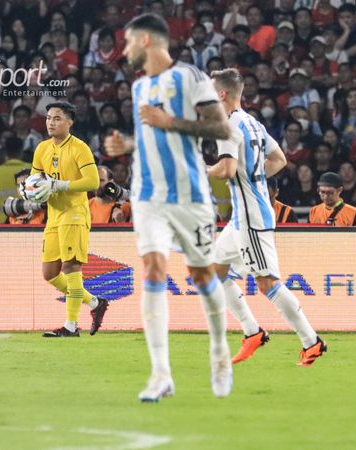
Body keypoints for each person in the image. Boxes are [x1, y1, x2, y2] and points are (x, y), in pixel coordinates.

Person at [104, 14, 235, 402]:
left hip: (190, 194)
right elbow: (150, 136)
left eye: (127, 42)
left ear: (146, 40)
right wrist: (127, 146)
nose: (124, 50)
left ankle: (219, 351)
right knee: (153, 267)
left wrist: (169, 121)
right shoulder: (139, 86)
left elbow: (220, 128)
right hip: (147, 195)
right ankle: (161, 373)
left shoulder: (191, 77)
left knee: (202, 275)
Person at [207, 69, 325, 367]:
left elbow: (226, 170)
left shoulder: (227, 124)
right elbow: (280, 160)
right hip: (243, 215)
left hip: (251, 217)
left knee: (267, 282)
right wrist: (255, 180)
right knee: (216, 269)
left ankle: (312, 342)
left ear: (221, 94)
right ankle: (252, 332)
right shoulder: (253, 123)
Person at [27, 101, 109, 338]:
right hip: (53, 215)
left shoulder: (79, 148)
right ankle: (94, 303)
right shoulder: (42, 148)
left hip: (74, 213)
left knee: (71, 267)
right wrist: (29, 191)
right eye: (49, 118)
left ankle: (71, 326)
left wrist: (59, 184)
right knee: (50, 273)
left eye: (57, 118)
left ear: (70, 122)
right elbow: (35, 179)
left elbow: (93, 182)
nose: (51, 122)